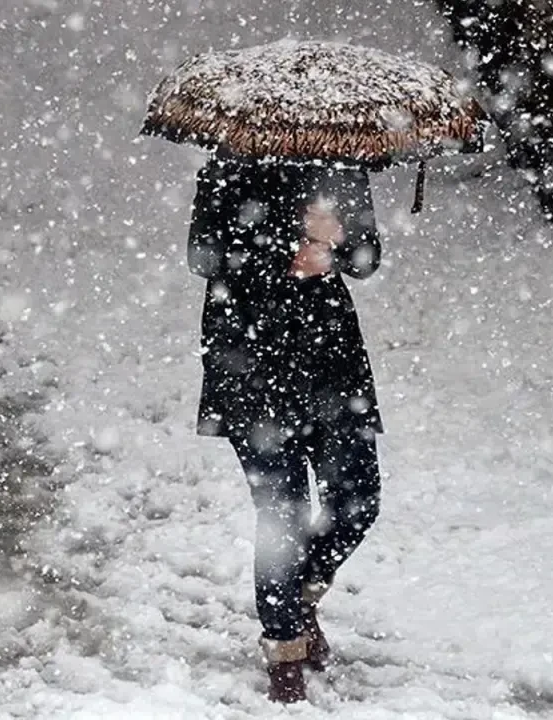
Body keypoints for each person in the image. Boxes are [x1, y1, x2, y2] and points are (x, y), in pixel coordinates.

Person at [186, 150, 383, 703]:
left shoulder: (342, 165)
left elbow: (367, 259)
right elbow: (204, 256)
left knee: (358, 498)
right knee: (283, 515)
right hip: (250, 360)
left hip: (331, 363)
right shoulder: (228, 168)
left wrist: (337, 244)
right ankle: (284, 654)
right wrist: (289, 242)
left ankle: (295, 600)